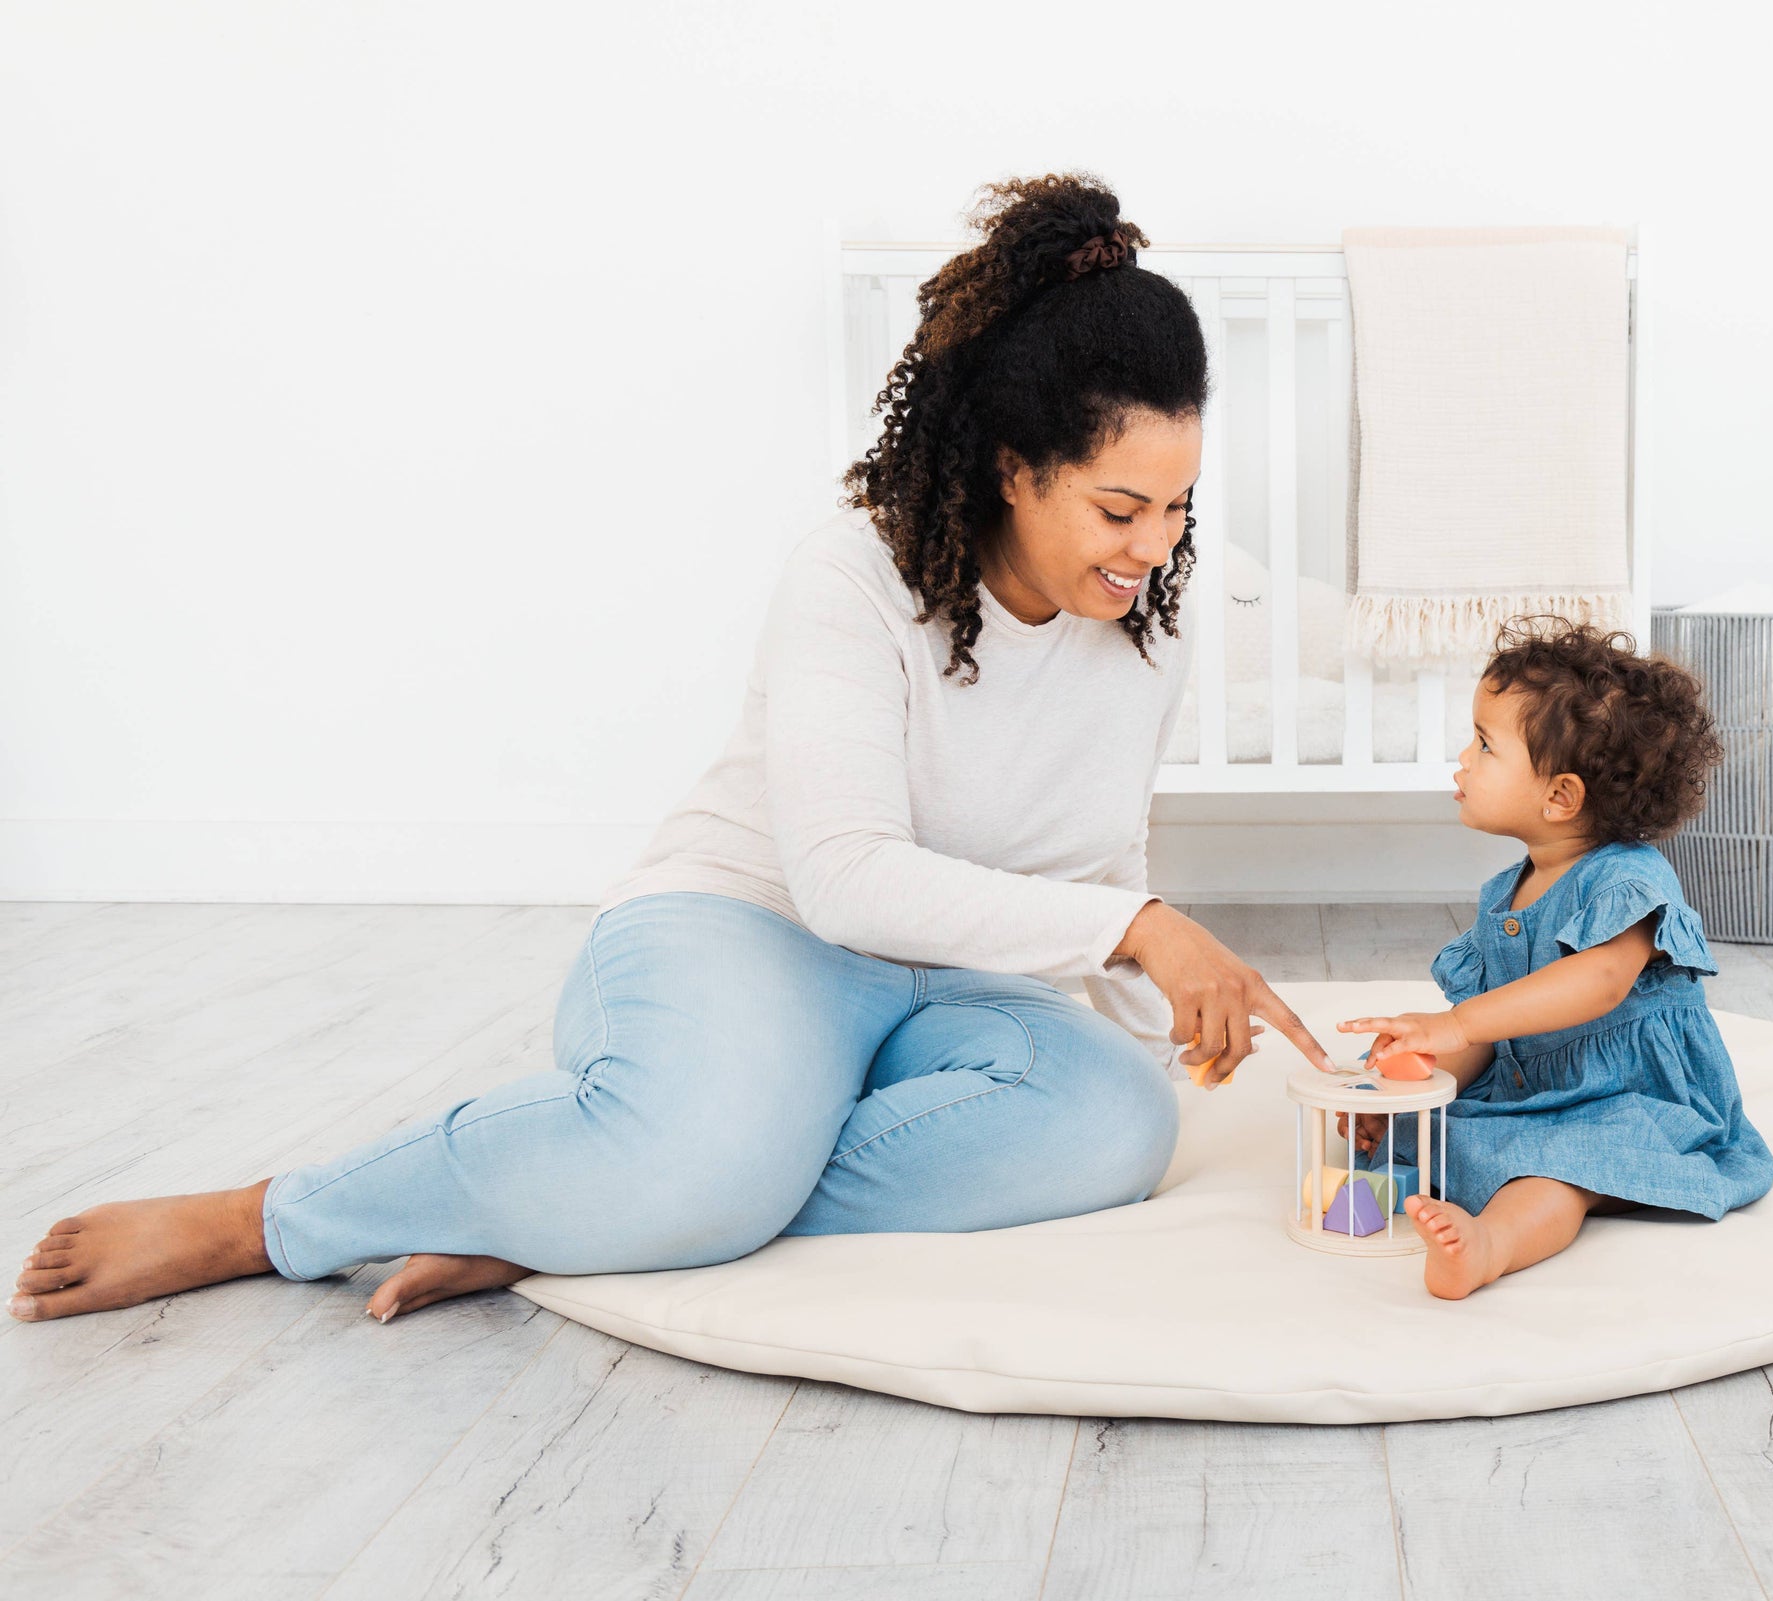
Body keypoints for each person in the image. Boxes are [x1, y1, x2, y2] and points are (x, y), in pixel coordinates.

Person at [12, 172, 1336, 1327]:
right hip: (756, 928)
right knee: (708, 1155)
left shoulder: (1145, 619)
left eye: (1177, 505)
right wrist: (1143, 930)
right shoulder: (852, 575)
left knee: (1112, 1123)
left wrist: (1141, 1025)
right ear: (1008, 465)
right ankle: (272, 1216)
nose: (1155, 546)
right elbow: (846, 877)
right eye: (1120, 506)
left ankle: (592, 1200)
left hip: (959, 984)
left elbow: (1098, 852)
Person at [1333, 616, 1773, 1299]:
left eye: (1484, 746)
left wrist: (1458, 1022)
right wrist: (1412, 1079)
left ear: (1560, 795)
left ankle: (1489, 1245)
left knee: (1558, 1173)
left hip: (1631, 1099)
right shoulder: (1506, 894)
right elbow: (1491, 1040)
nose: (1462, 760)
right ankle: (1419, 1154)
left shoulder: (1628, 880)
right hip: (1540, 1090)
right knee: (1432, 1130)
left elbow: (1596, 982)